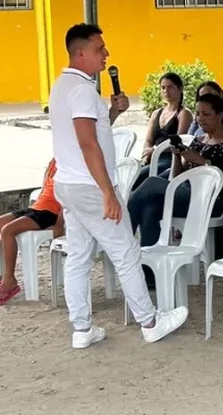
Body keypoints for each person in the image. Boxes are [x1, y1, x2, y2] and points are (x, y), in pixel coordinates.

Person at [48, 23, 187, 347]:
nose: (106, 54)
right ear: (80, 52)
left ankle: (82, 329)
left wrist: (111, 112)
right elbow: (87, 144)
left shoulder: (63, 86)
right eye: (100, 48)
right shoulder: (82, 90)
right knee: (125, 252)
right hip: (89, 186)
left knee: (79, 257)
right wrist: (108, 192)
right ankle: (150, 322)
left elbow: (90, 134)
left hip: (69, 183)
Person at [129, 93, 223, 255]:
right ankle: (149, 273)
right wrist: (178, 155)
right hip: (187, 194)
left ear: (219, 116)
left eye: (206, 114)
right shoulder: (199, 140)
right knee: (150, 208)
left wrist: (202, 161)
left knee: (152, 183)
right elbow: (178, 178)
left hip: (212, 200)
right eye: (198, 114)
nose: (200, 119)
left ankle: (123, 234)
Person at [0, 160, 65, 305]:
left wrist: (60, 223)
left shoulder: (70, 160)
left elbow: (69, 197)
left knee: (7, 231)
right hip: (36, 208)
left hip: (49, 213)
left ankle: (10, 281)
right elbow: (44, 189)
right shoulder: (54, 161)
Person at [135, 72, 192, 185]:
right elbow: (148, 140)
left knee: (142, 179)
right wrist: (147, 154)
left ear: (180, 89)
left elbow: (178, 141)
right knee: (132, 175)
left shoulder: (183, 113)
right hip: (151, 159)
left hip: (170, 160)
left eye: (170, 87)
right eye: (163, 88)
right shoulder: (156, 113)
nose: (166, 91)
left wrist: (156, 149)